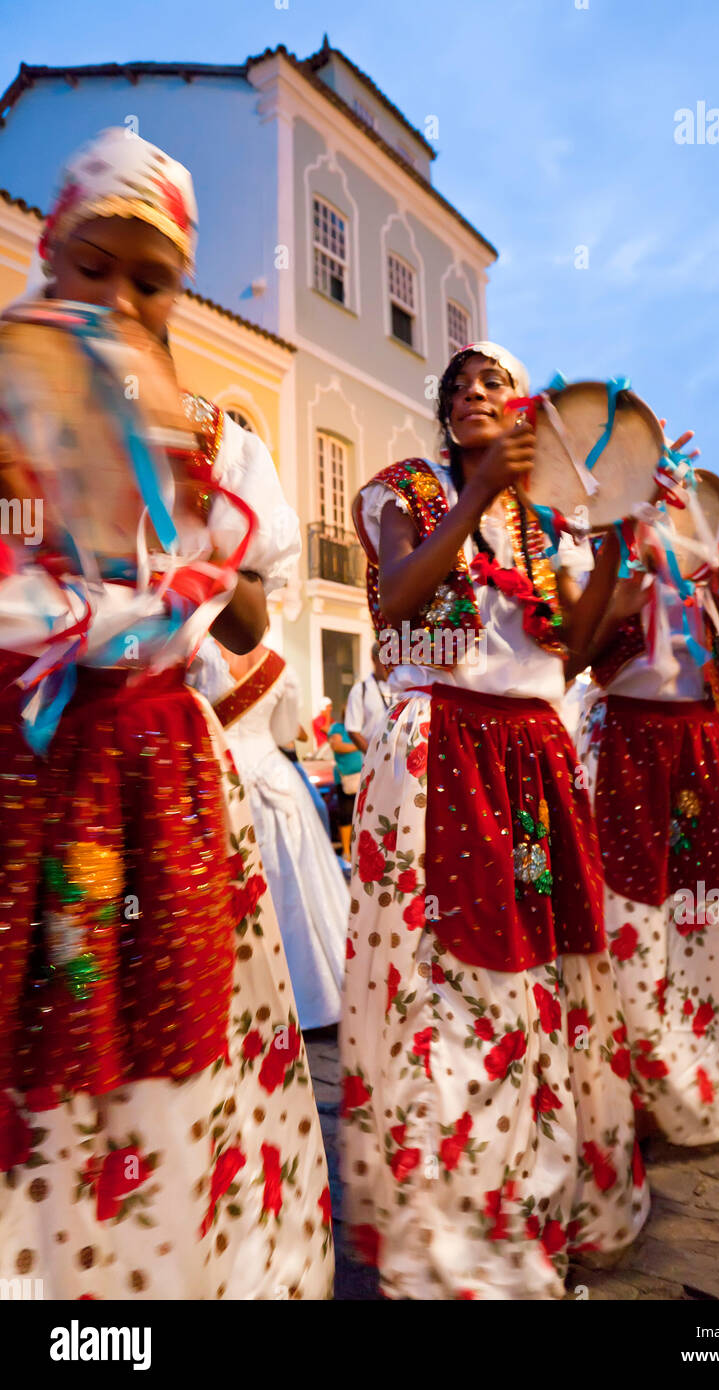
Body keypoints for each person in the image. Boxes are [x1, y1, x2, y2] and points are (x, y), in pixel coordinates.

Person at [0, 129, 333, 1299]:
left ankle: (163, 1275)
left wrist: (189, 524)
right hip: (31, 772)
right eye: (95, 267)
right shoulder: (8, 409)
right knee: (44, 1033)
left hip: (164, 778)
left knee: (170, 1033)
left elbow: (247, 621)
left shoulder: (213, 434)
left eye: (156, 281)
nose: (122, 299)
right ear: (50, 257)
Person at [340, 342, 650, 1302]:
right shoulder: (409, 492)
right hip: (442, 751)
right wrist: (474, 499)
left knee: (540, 978)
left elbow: (578, 646)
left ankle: (535, 1193)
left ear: (525, 416)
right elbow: (400, 604)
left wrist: (613, 542)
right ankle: (450, 1233)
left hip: (531, 756)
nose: (470, 393)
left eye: (491, 384)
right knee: (448, 987)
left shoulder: (539, 527)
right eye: (457, 386)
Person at [579, 487, 719, 1145]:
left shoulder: (707, 582)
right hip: (629, 749)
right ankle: (647, 1084)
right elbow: (577, 655)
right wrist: (630, 581)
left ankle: (716, 1064)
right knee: (633, 909)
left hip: (701, 748)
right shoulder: (605, 557)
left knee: (710, 907)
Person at [190, 639, 348, 1031]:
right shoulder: (279, 664)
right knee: (299, 888)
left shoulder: (196, 655)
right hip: (277, 782)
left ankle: (248, 1001)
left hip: (222, 780)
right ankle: (317, 996)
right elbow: (282, 733)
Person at [345, 642, 395, 753]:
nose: (390, 665)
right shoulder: (360, 690)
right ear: (373, 658)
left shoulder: (402, 689)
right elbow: (353, 730)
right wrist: (373, 758)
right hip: (373, 766)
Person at [329, 708, 364, 861]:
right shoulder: (338, 728)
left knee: (363, 814)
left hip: (364, 777)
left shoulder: (364, 728)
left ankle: (360, 849)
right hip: (346, 780)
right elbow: (336, 746)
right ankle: (346, 851)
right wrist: (360, 744)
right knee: (346, 814)